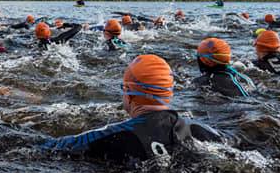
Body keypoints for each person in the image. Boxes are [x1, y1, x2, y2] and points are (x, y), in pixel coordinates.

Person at [41, 54, 221, 162]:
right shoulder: (204, 130)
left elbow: (50, 148)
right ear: (169, 92)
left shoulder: (111, 135)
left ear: (128, 91)